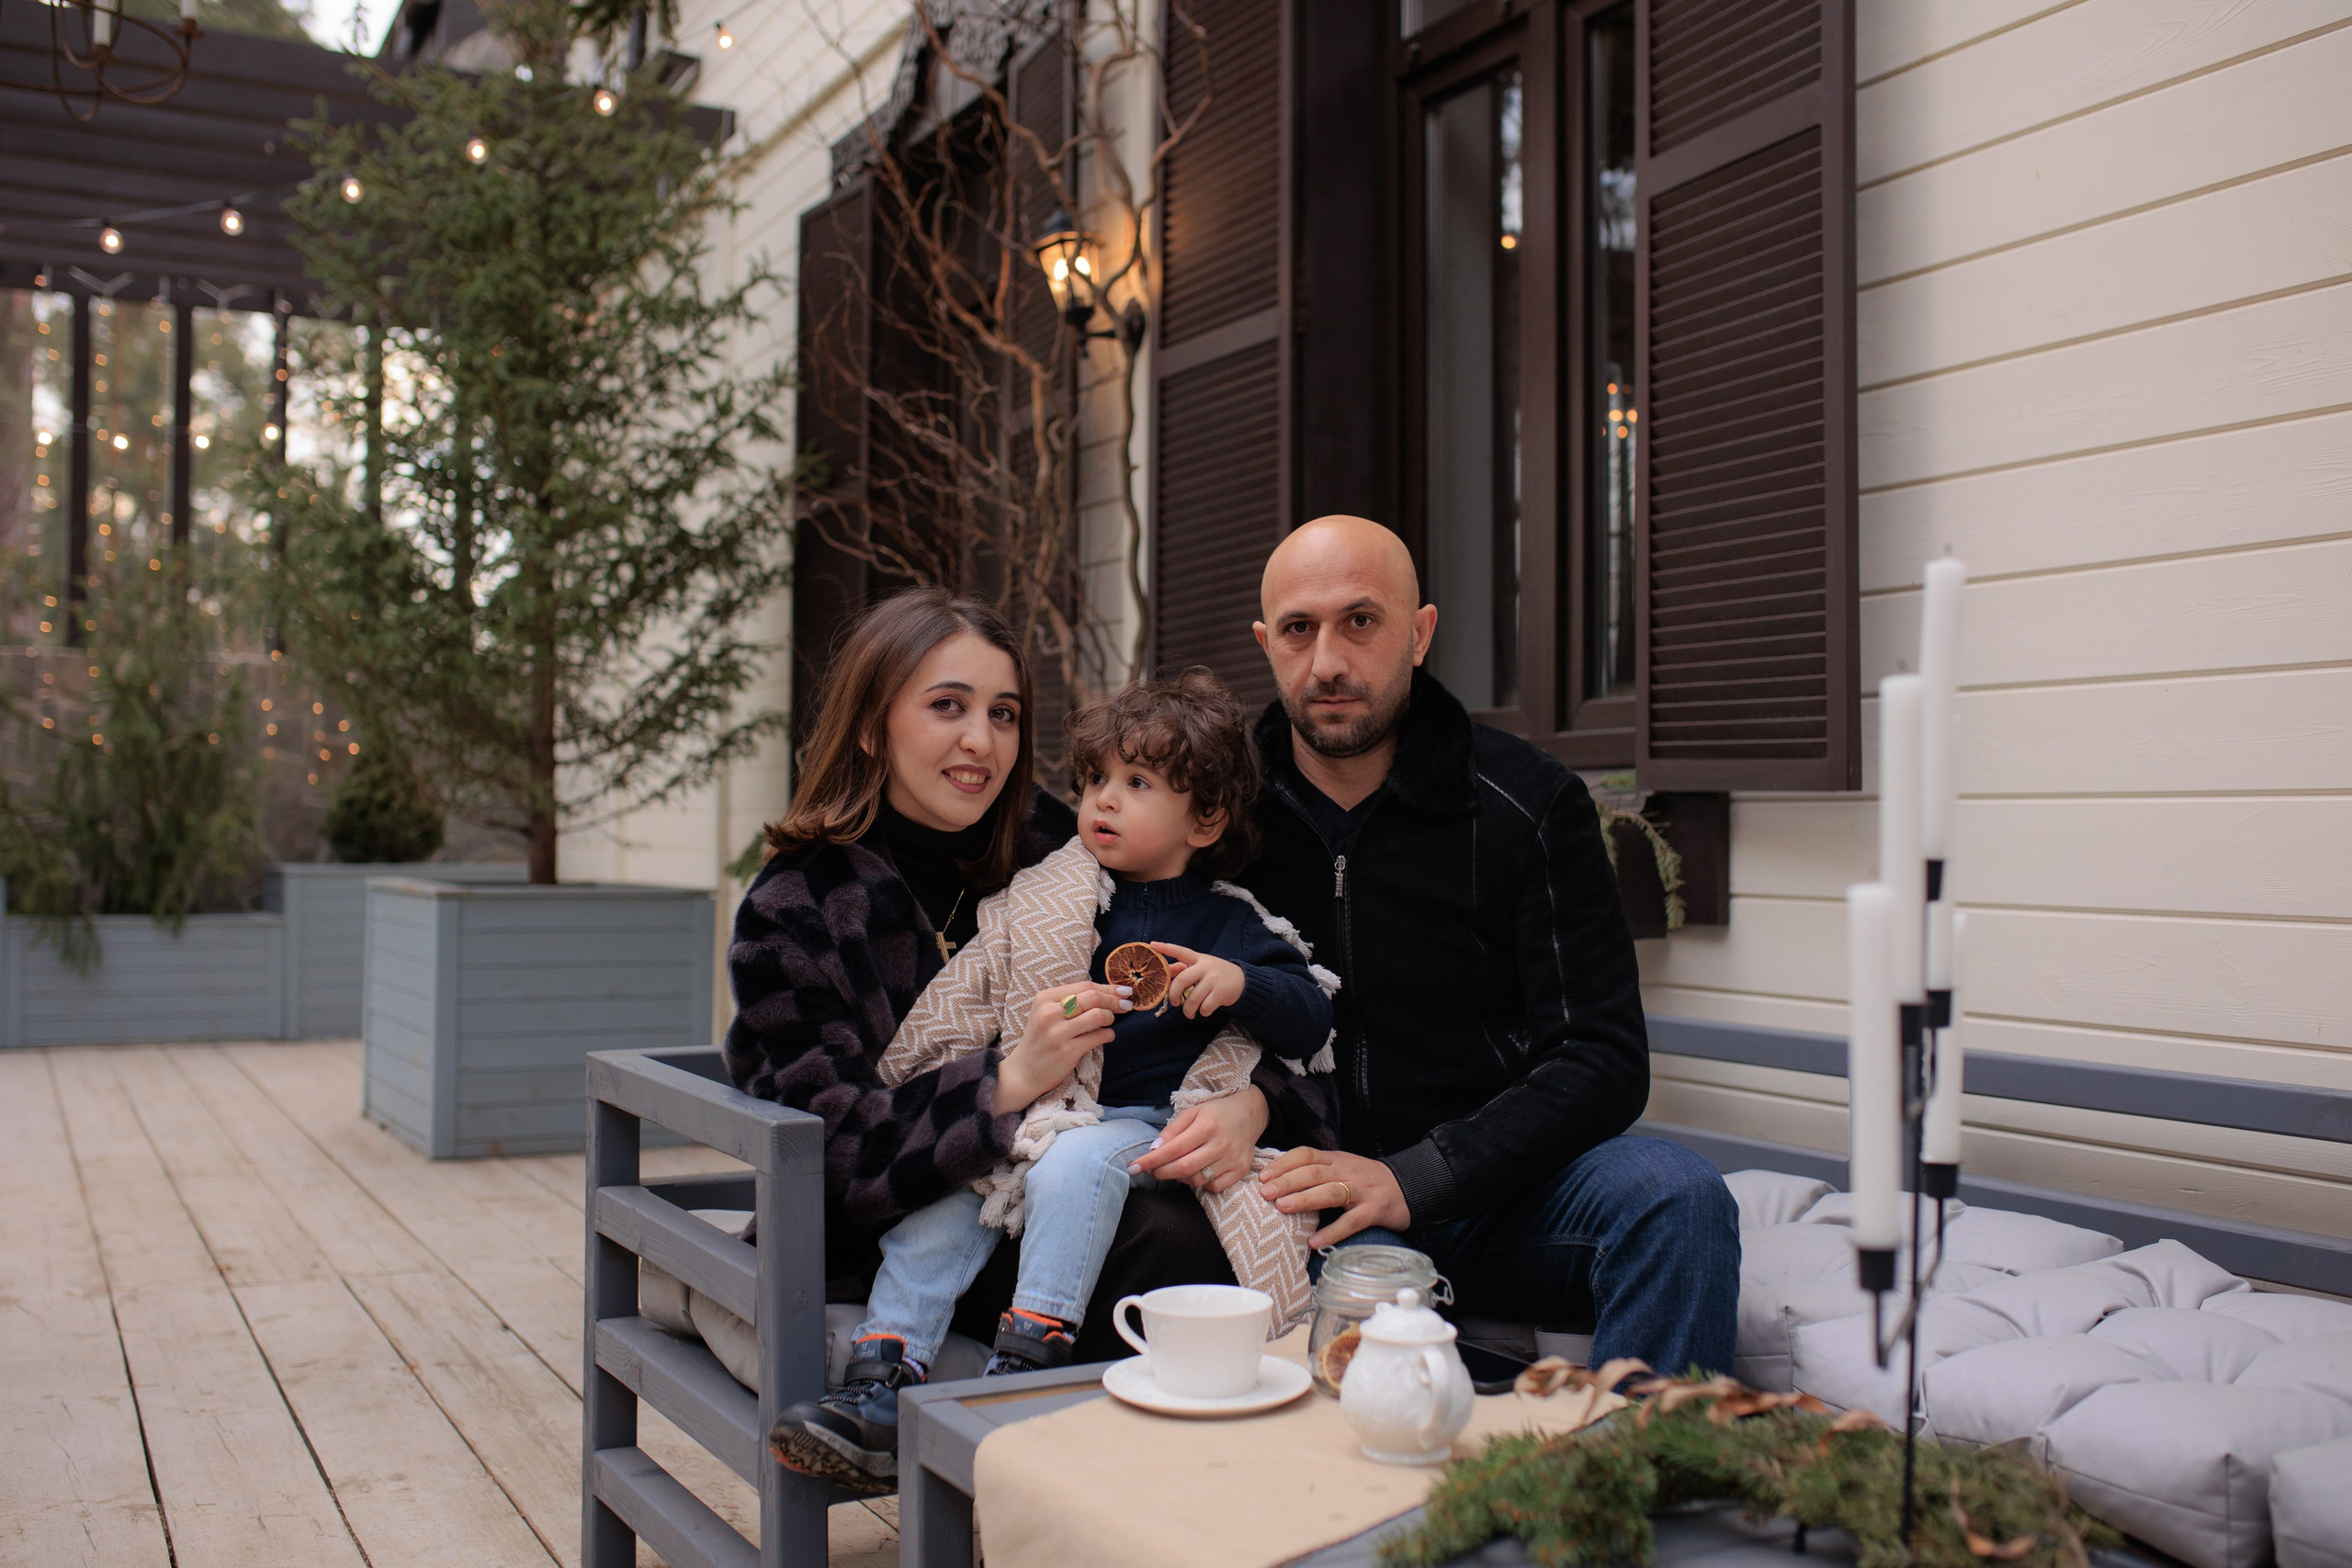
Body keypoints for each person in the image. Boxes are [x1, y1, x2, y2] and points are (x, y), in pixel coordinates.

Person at [723, 592, 1327, 1470]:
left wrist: (1251, 1105)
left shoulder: (1066, 845)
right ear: (870, 727)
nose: (981, 740)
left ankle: (1130, 1486)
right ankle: (1032, 1458)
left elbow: (1272, 1002)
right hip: (905, 1213)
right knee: (1154, 1235)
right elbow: (830, 1154)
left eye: (1003, 713)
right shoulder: (800, 905)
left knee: (1170, 1217)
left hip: (1084, 1175)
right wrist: (1008, 1081)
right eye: (947, 705)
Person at [1243, 516, 1741, 1379]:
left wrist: (1418, 1176)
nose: (1327, 662)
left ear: (1420, 634)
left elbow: (1601, 1056)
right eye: (1298, 629)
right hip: (1308, 1205)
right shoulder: (1220, 813)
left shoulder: (1528, 803)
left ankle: (1638, 1456)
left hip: (1505, 1196)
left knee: (1678, 1197)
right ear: (1267, 645)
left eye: (1360, 621)